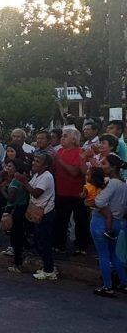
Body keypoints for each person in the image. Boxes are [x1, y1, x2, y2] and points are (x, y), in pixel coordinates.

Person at [15, 152, 58, 280]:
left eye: (38, 162)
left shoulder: (46, 177)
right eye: (34, 160)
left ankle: (49, 270)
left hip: (45, 213)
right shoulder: (37, 175)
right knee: (39, 240)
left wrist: (24, 181)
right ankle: (47, 266)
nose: (34, 163)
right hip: (37, 211)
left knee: (44, 241)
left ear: (45, 166)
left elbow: (36, 193)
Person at [89, 154, 127, 297]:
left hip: (101, 221)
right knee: (114, 254)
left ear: (113, 167)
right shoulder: (123, 183)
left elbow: (99, 202)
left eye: (104, 164)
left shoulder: (111, 183)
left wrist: (92, 201)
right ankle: (124, 283)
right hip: (117, 222)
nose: (101, 166)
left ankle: (107, 286)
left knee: (103, 255)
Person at [53, 127, 89, 255]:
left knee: (80, 220)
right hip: (61, 191)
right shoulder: (60, 151)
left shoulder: (80, 151)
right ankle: (59, 244)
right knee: (60, 220)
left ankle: (81, 246)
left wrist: (59, 160)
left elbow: (75, 172)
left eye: (65, 136)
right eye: (62, 135)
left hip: (77, 192)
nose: (62, 138)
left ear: (74, 139)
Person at [2, 159, 31, 273]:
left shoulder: (15, 182)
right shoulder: (20, 180)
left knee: (15, 235)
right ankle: (27, 249)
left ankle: (17, 262)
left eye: (10, 166)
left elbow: (11, 198)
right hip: (20, 208)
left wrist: (1, 190)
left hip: (15, 209)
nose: (7, 169)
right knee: (19, 233)